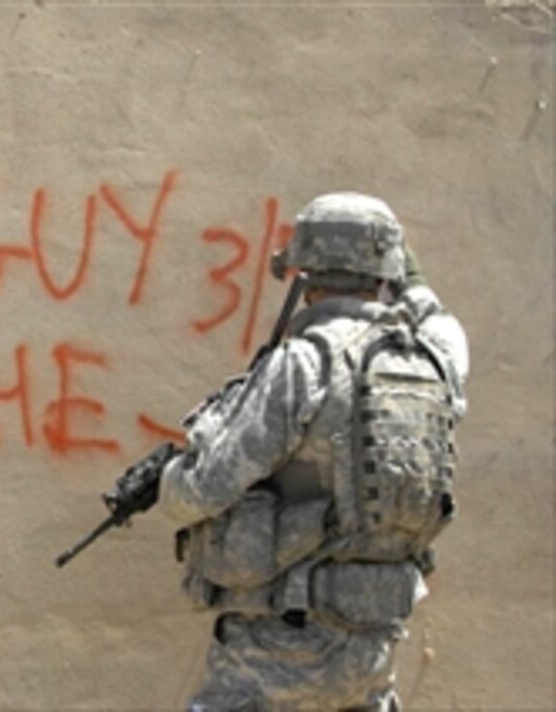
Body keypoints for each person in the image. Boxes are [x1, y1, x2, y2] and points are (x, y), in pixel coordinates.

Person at [156, 192, 469, 711]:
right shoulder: (435, 358)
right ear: (384, 270)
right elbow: (432, 310)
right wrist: (401, 263)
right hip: (373, 653)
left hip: (276, 650)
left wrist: (169, 478)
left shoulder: (304, 364)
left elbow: (201, 488)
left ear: (306, 275)